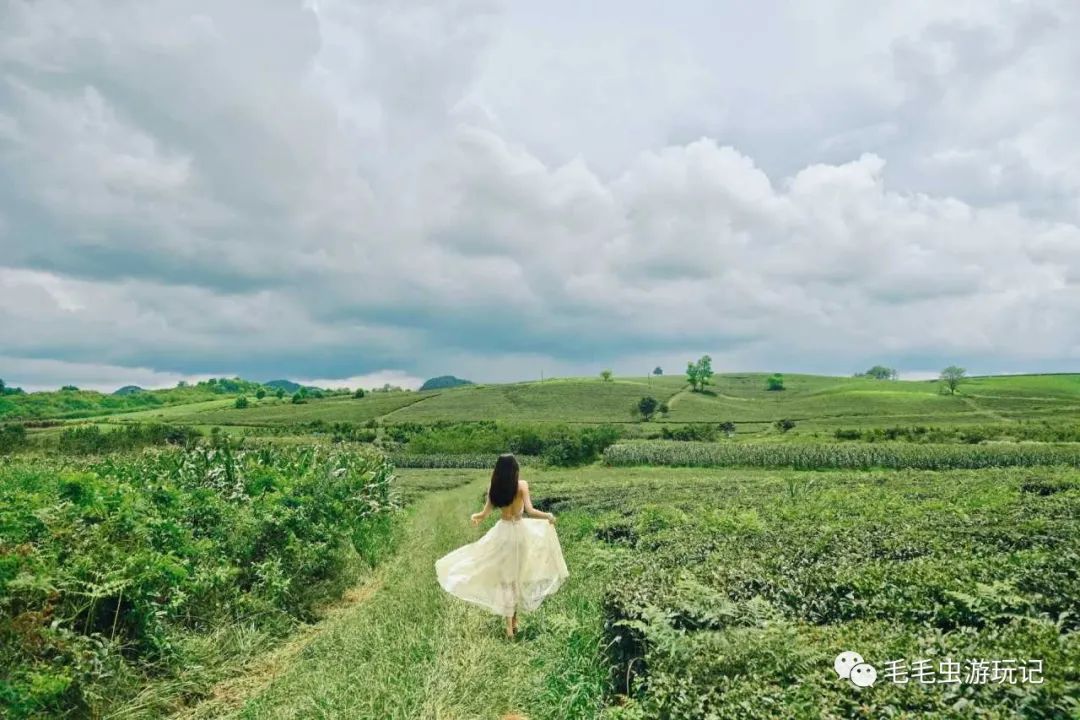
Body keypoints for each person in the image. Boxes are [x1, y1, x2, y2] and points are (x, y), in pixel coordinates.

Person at [435, 453, 569, 638]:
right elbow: (530, 511)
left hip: (503, 533)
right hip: (521, 535)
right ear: (515, 470)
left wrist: (476, 517)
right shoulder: (522, 485)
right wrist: (548, 516)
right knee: (517, 578)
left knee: (506, 581)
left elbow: (485, 513)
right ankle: (513, 623)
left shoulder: (494, 487)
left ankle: (510, 625)